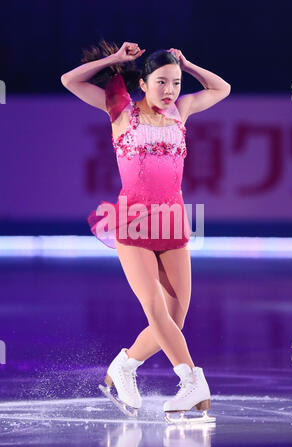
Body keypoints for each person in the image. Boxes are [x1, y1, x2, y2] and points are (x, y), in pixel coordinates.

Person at [61, 39, 230, 422]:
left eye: (175, 83)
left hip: (172, 222)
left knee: (176, 315)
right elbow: (69, 81)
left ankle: (124, 366)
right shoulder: (121, 110)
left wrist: (189, 66)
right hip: (132, 222)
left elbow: (222, 89)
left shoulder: (181, 111)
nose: (170, 90)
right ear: (143, 83)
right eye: (162, 82)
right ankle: (191, 381)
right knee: (154, 308)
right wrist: (115, 60)